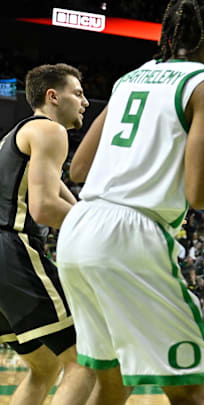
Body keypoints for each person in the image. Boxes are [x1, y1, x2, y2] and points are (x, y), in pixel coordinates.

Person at [57, 2, 204, 404]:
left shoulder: (130, 79)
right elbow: (202, 192)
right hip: (132, 234)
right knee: (193, 391)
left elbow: (79, 167)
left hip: (79, 230)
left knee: (112, 386)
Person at [0, 64, 94, 405]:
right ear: (52, 97)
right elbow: (43, 208)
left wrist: (90, 217)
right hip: (11, 248)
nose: (85, 102)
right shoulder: (50, 131)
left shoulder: (15, 136)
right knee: (86, 358)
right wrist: (105, 232)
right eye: (78, 93)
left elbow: (66, 199)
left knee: (45, 366)